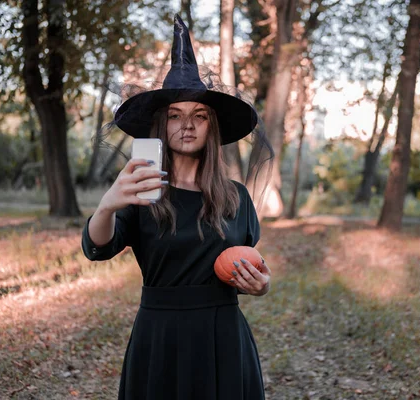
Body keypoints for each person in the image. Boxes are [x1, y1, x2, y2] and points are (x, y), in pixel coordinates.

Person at [81, 14, 274, 400]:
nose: (187, 125)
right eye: (175, 116)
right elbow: (97, 248)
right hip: (160, 336)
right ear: (160, 126)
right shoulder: (140, 191)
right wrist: (106, 206)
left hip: (223, 337)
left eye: (199, 116)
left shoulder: (236, 196)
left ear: (211, 127)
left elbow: (250, 260)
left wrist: (262, 284)